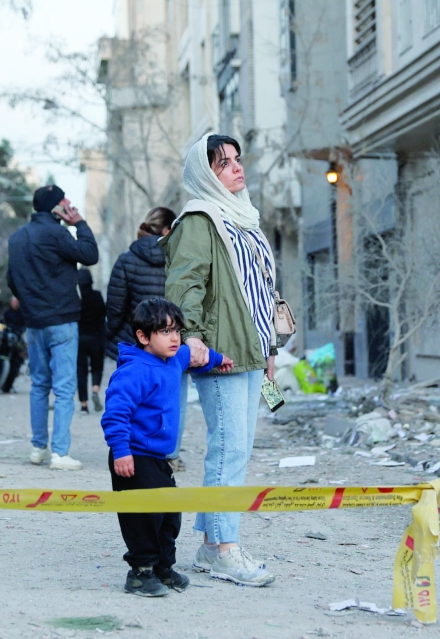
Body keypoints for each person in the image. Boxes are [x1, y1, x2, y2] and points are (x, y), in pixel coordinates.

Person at [163, 133, 278, 586]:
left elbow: (258, 291)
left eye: (236, 159)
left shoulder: (243, 218)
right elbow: (184, 285)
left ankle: (213, 544)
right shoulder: (199, 219)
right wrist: (191, 339)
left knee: (238, 450)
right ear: (204, 174)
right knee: (228, 450)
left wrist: (268, 351)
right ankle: (224, 548)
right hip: (220, 352)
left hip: (251, 350)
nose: (235, 167)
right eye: (222, 163)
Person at [101, 298, 233, 596]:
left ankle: (163, 567)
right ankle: (140, 572)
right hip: (133, 455)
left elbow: (194, 356)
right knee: (143, 517)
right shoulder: (134, 371)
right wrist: (121, 451)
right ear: (143, 337)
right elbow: (115, 414)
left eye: (175, 330)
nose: (174, 338)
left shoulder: (173, 359)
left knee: (169, 513)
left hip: (158, 457)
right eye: (164, 331)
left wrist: (217, 359)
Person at [7, 184, 98, 471]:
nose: (69, 203)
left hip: (34, 323)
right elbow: (89, 255)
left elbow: (12, 279)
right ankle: (59, 453)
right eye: (63, 200)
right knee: (64, 387)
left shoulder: (17, 238)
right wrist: (80, 223)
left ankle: (38, 449)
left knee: (39, 386)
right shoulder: (57, 233)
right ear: (54, 207)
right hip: (62, 321)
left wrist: (29, 302)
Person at [105, 206, 190, 471]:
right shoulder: (178, 261)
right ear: (168, 231)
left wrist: (112, 336)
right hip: (173, 342)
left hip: (137, 342)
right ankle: (169, 453)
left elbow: (116, 306)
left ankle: (134, 447)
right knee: (173, 397)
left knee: (133, 397)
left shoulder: (126, 260)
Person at [77, 268, 106, 414]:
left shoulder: (76, 299)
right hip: (96, 337)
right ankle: (95, 390)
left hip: (80, 339)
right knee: (97, 367)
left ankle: (84, 404)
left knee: (81, 371)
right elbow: (103, 316)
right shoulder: (97, 296)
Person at [1, 297, 26, 393]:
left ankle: (8, 385)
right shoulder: (7, 313)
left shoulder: (22, 314)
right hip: (6, 342)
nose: (15, 304)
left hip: (17, 341)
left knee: (16, 363)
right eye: (13, 302)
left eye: (16, 302)